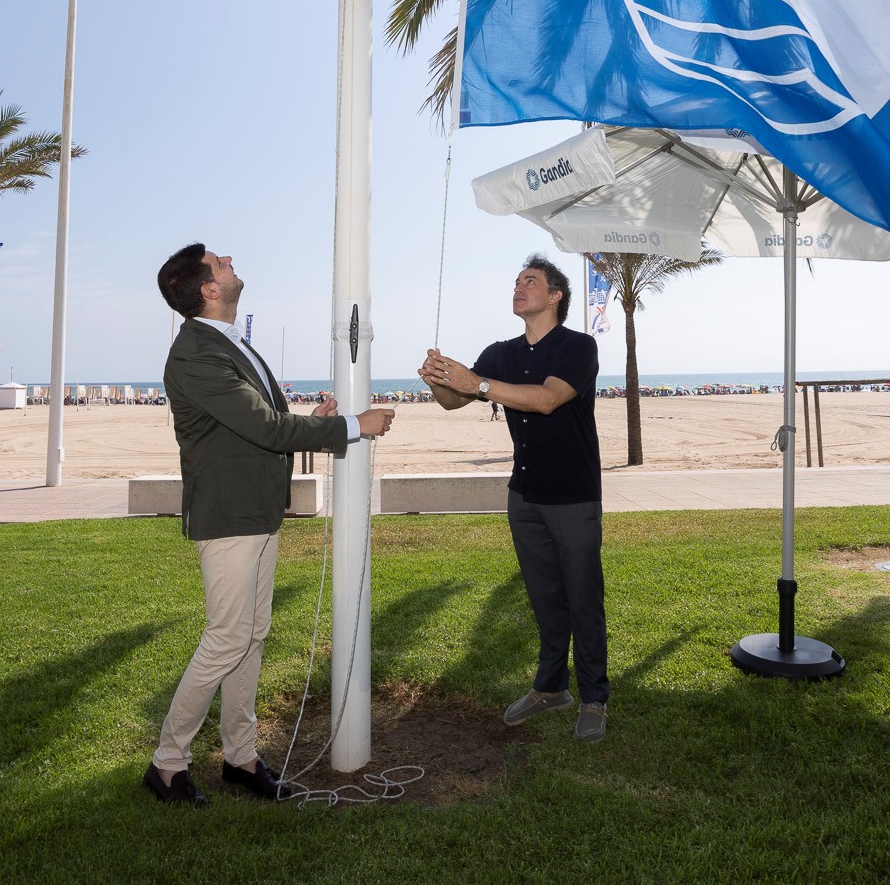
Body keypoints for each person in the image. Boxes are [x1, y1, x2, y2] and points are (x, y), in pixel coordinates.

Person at [145, 243, 395, 807]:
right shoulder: (194, 355)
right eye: (221, 263)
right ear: (208, 289)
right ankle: (167, 763)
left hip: (257, 513)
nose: (230, 261)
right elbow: (267, 430)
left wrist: (312, 424)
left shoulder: (229, 344)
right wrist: (356, 425)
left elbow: (263, 428)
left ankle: (241, 756)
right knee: (226, 637)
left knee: (251, 637)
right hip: (229, 518)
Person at [420, 254, 608, 743]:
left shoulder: (578, 346)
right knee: (545, 598)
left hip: (573, 496)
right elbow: (454, 401)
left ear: (555, 297)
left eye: (532, 281)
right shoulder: (501, 351)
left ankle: (594, 698)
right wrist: (440, 379)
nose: (519, 287)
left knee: (583, 599)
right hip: (524, 495)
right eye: (517, 281)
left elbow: (546, 399)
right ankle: (551, 689)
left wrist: (476, 383)